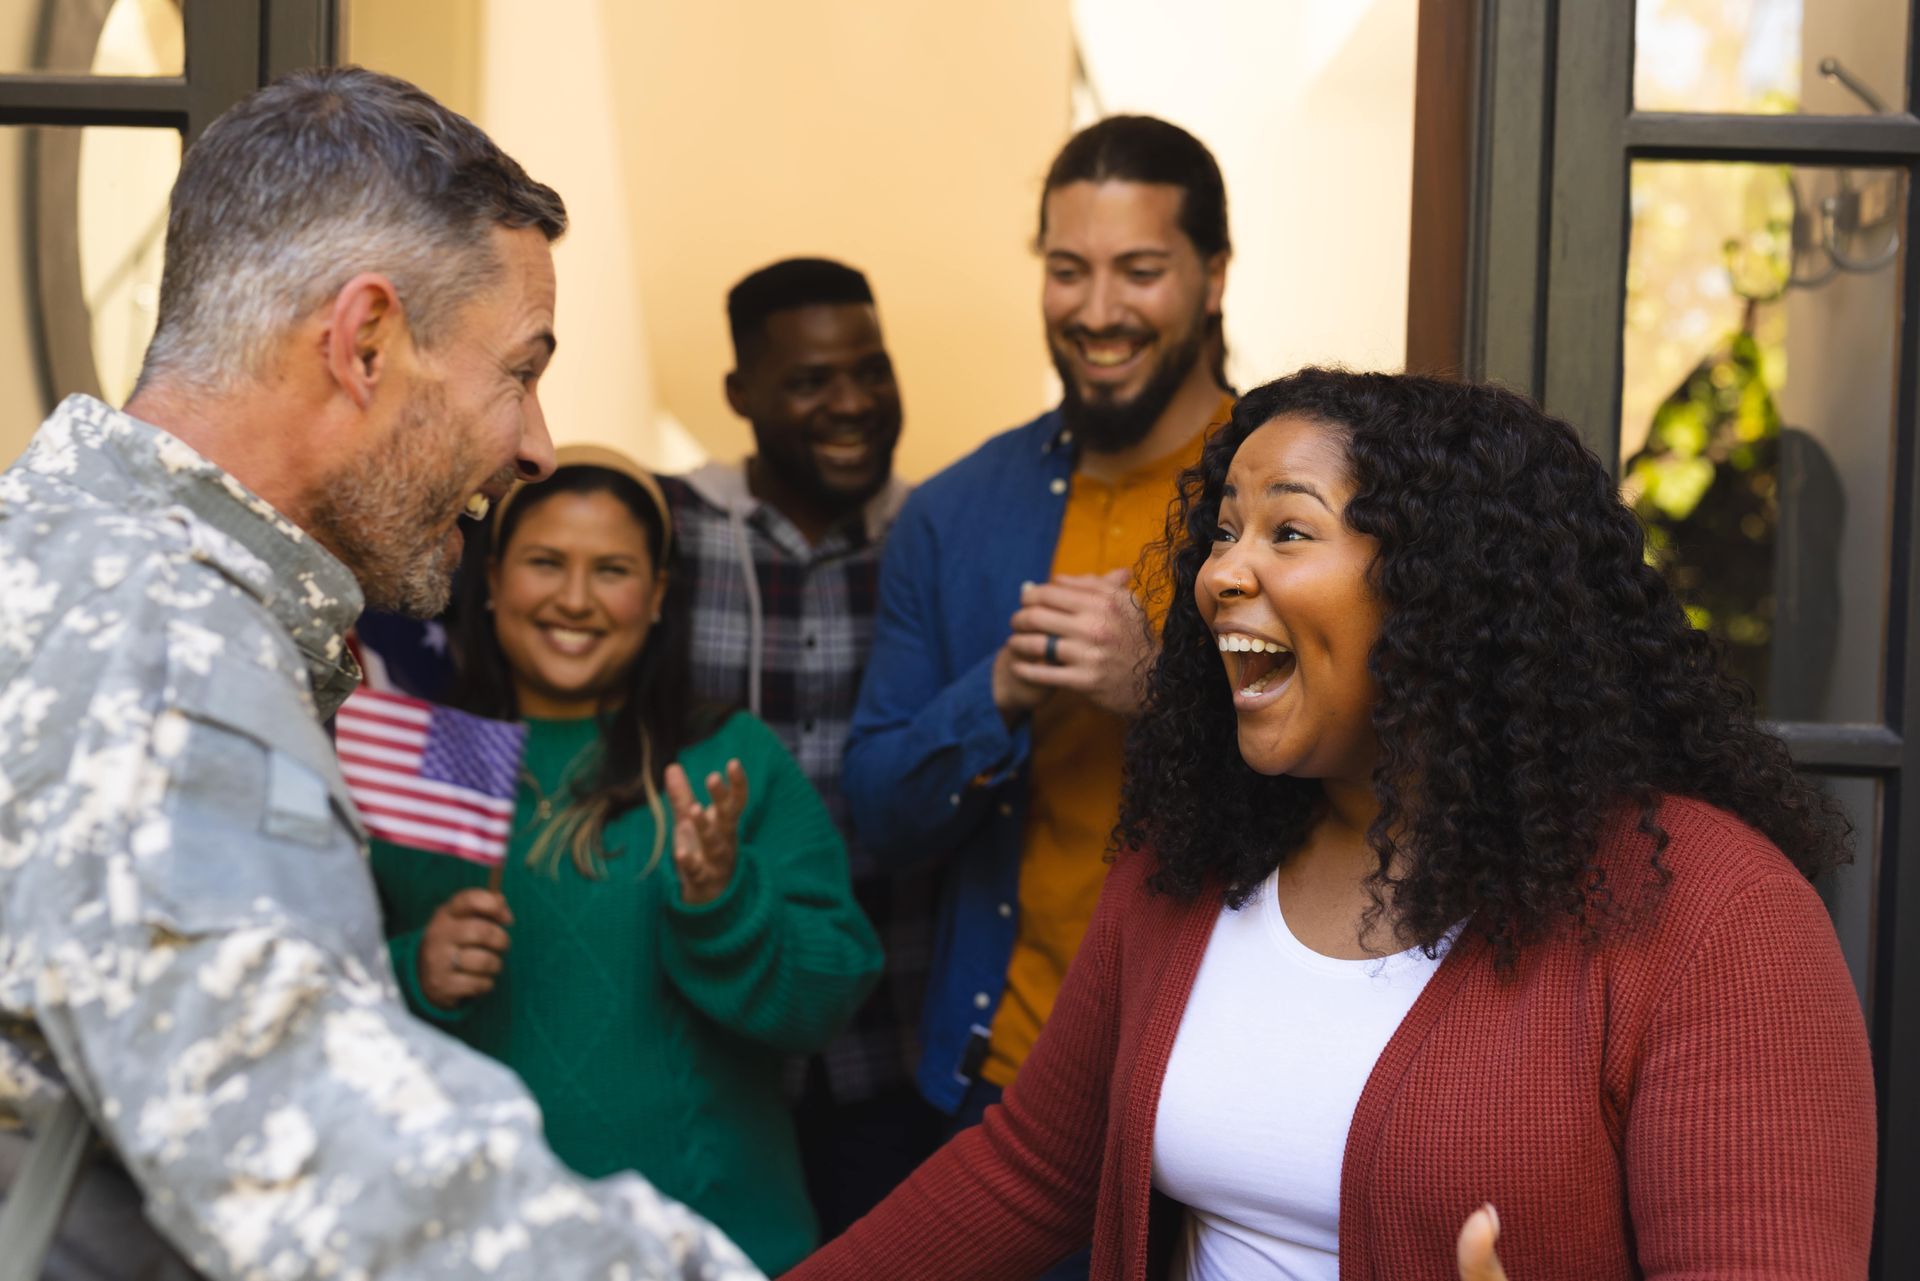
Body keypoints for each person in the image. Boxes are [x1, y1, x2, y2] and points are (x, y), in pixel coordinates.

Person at [790, 368, 1878, 1279]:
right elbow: (1029, 1172)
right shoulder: (1189, 860)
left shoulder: (1715, 914)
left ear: (1443, 590)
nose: (1221, 571)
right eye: (1222, 532)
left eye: (1288, 530)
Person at [0, 68, 762, 1279]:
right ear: (364, 342)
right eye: (519, 370)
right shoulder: (155, 648)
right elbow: (328, 1174)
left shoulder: (80, 569)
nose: (537, 443)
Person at [370, 448, 884, 1275]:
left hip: (712, 1244)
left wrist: (726, 900)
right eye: (546, 563)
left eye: (611, 569)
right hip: (488, 1248)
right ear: (493, 580)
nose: (574, 598)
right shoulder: (432, 759)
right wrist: (414, 969)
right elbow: (316, 991)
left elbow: (830, 998)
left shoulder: (724, 756)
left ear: (655, 598)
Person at [843, 115, 1234, 1168]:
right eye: (1069, 271)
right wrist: (999, 692)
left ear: (1214, 276)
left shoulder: (1298, 489)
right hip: (1008, 1085)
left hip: (1232, 1084)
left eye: (1140, 270)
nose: (1098, 311)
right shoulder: (956, 512)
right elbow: (879, 807)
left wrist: (1159, 689)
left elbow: (1383, 776)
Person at [659, 258, 939, 1236]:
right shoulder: (668, 530)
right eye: (812, 379)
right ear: (741, 394)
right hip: (706, 1044)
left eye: (871, 369)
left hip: (895, 1046)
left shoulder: (934, 538)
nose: (852, 402)